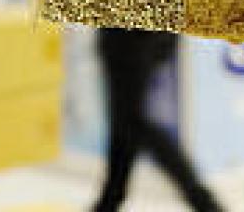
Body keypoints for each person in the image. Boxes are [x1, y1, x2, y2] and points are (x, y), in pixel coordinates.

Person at [90, 28, 227, 212]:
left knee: (132, 122)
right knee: (125, 122)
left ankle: (204, 202)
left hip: (130, 34)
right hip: (151, 32)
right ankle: (110, 201)